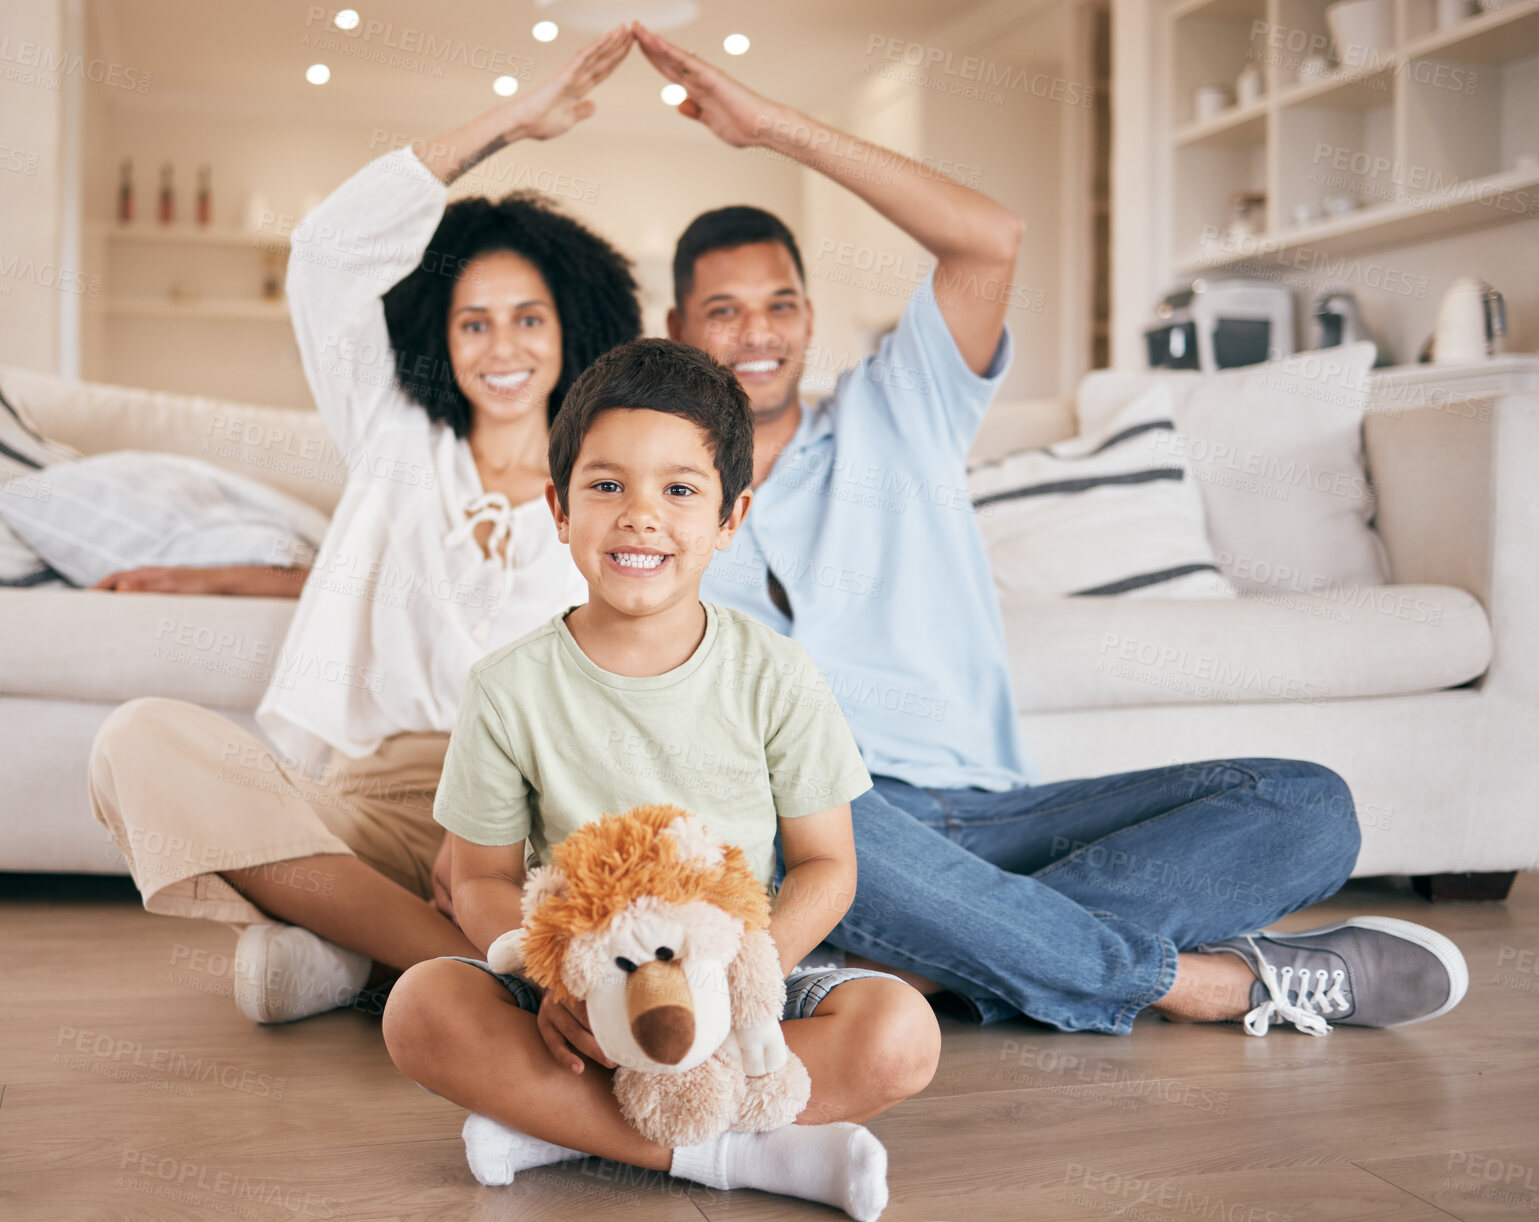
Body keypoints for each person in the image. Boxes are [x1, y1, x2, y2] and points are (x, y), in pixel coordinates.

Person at [628, 22, 1468, 1037]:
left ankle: (927, 968)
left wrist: (771, 128)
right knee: (767, 820)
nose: (757, 333)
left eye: (781, 304)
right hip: (823, 827)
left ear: (808, 316)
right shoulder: (660, 497)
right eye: (724, 310)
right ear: (679, 326)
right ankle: (1219, 986)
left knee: (1308, 806)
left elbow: (991, 237)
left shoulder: (901, 409)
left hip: (995, 812)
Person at [86, 28, 643, 1024]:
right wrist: (513, 121)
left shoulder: (609, 484)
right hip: (370, 800)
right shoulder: (395, 438)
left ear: (573, 327)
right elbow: (327, 254)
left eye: (528, 317)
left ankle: (353, 950)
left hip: (535, 818)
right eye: (474, 321)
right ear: (441, 333)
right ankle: (477, 974)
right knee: (134, 742)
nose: (501, 346)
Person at [382, 338, 936, 1222]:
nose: (641, 516)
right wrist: (554, 985)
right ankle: (750, 1156)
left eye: (679, 490)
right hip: (579, 988)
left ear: (730, 516)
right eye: (607, 486)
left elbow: (828, 866)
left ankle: (558, 1132)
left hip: (744, 980)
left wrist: (742, 979)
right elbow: (477, 880)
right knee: (421, 1008)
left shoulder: (778, 675)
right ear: (559, 509)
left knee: (902, 1034)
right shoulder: (506, 687)